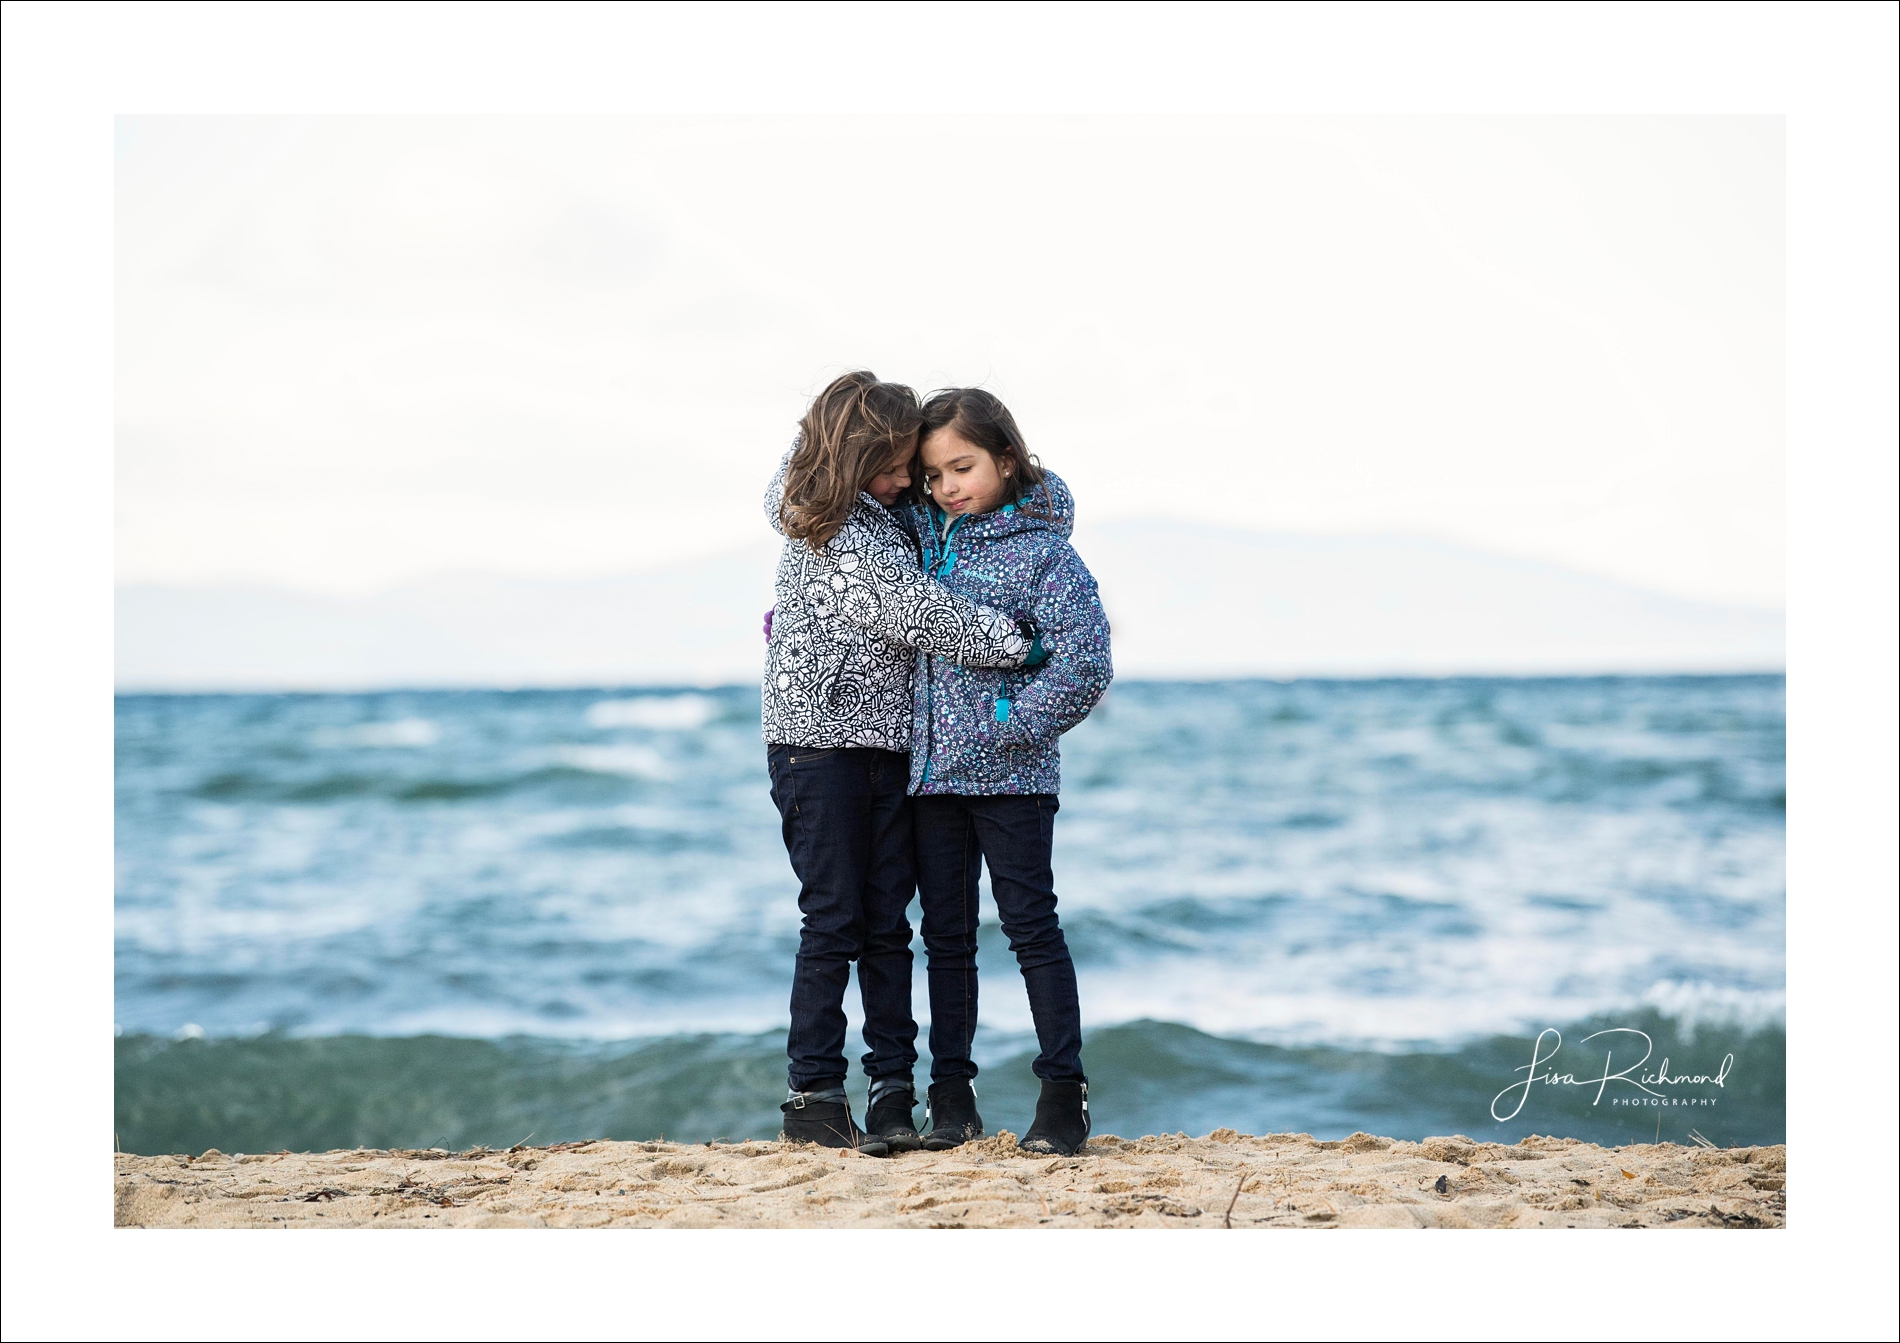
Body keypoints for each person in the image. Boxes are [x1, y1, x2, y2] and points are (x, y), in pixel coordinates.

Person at [761, 371, 1039, 1156]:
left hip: (888, 746)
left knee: (887, 923)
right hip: (817, 745)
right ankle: (812, 1093)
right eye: (888, 465)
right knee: (836, 918)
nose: (901, 481)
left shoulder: (886, 512)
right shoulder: (829, 523)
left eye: (908, 467)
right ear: (848, 457)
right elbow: (916, 612)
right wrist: (1019, 643)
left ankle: (890, 1095)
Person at [899, 387, 1112, 1157]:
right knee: (947, 939)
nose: (948, 485)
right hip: (929, 779)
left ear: (1007, 459)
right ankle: (951, 1100)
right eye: (933, 474)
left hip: (1014, 777)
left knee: (1031, 929)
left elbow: (1086, 661)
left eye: (963, 466)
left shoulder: (1046, 553)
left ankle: (1063, 1095)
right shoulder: (921, 533)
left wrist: (1010, 725)